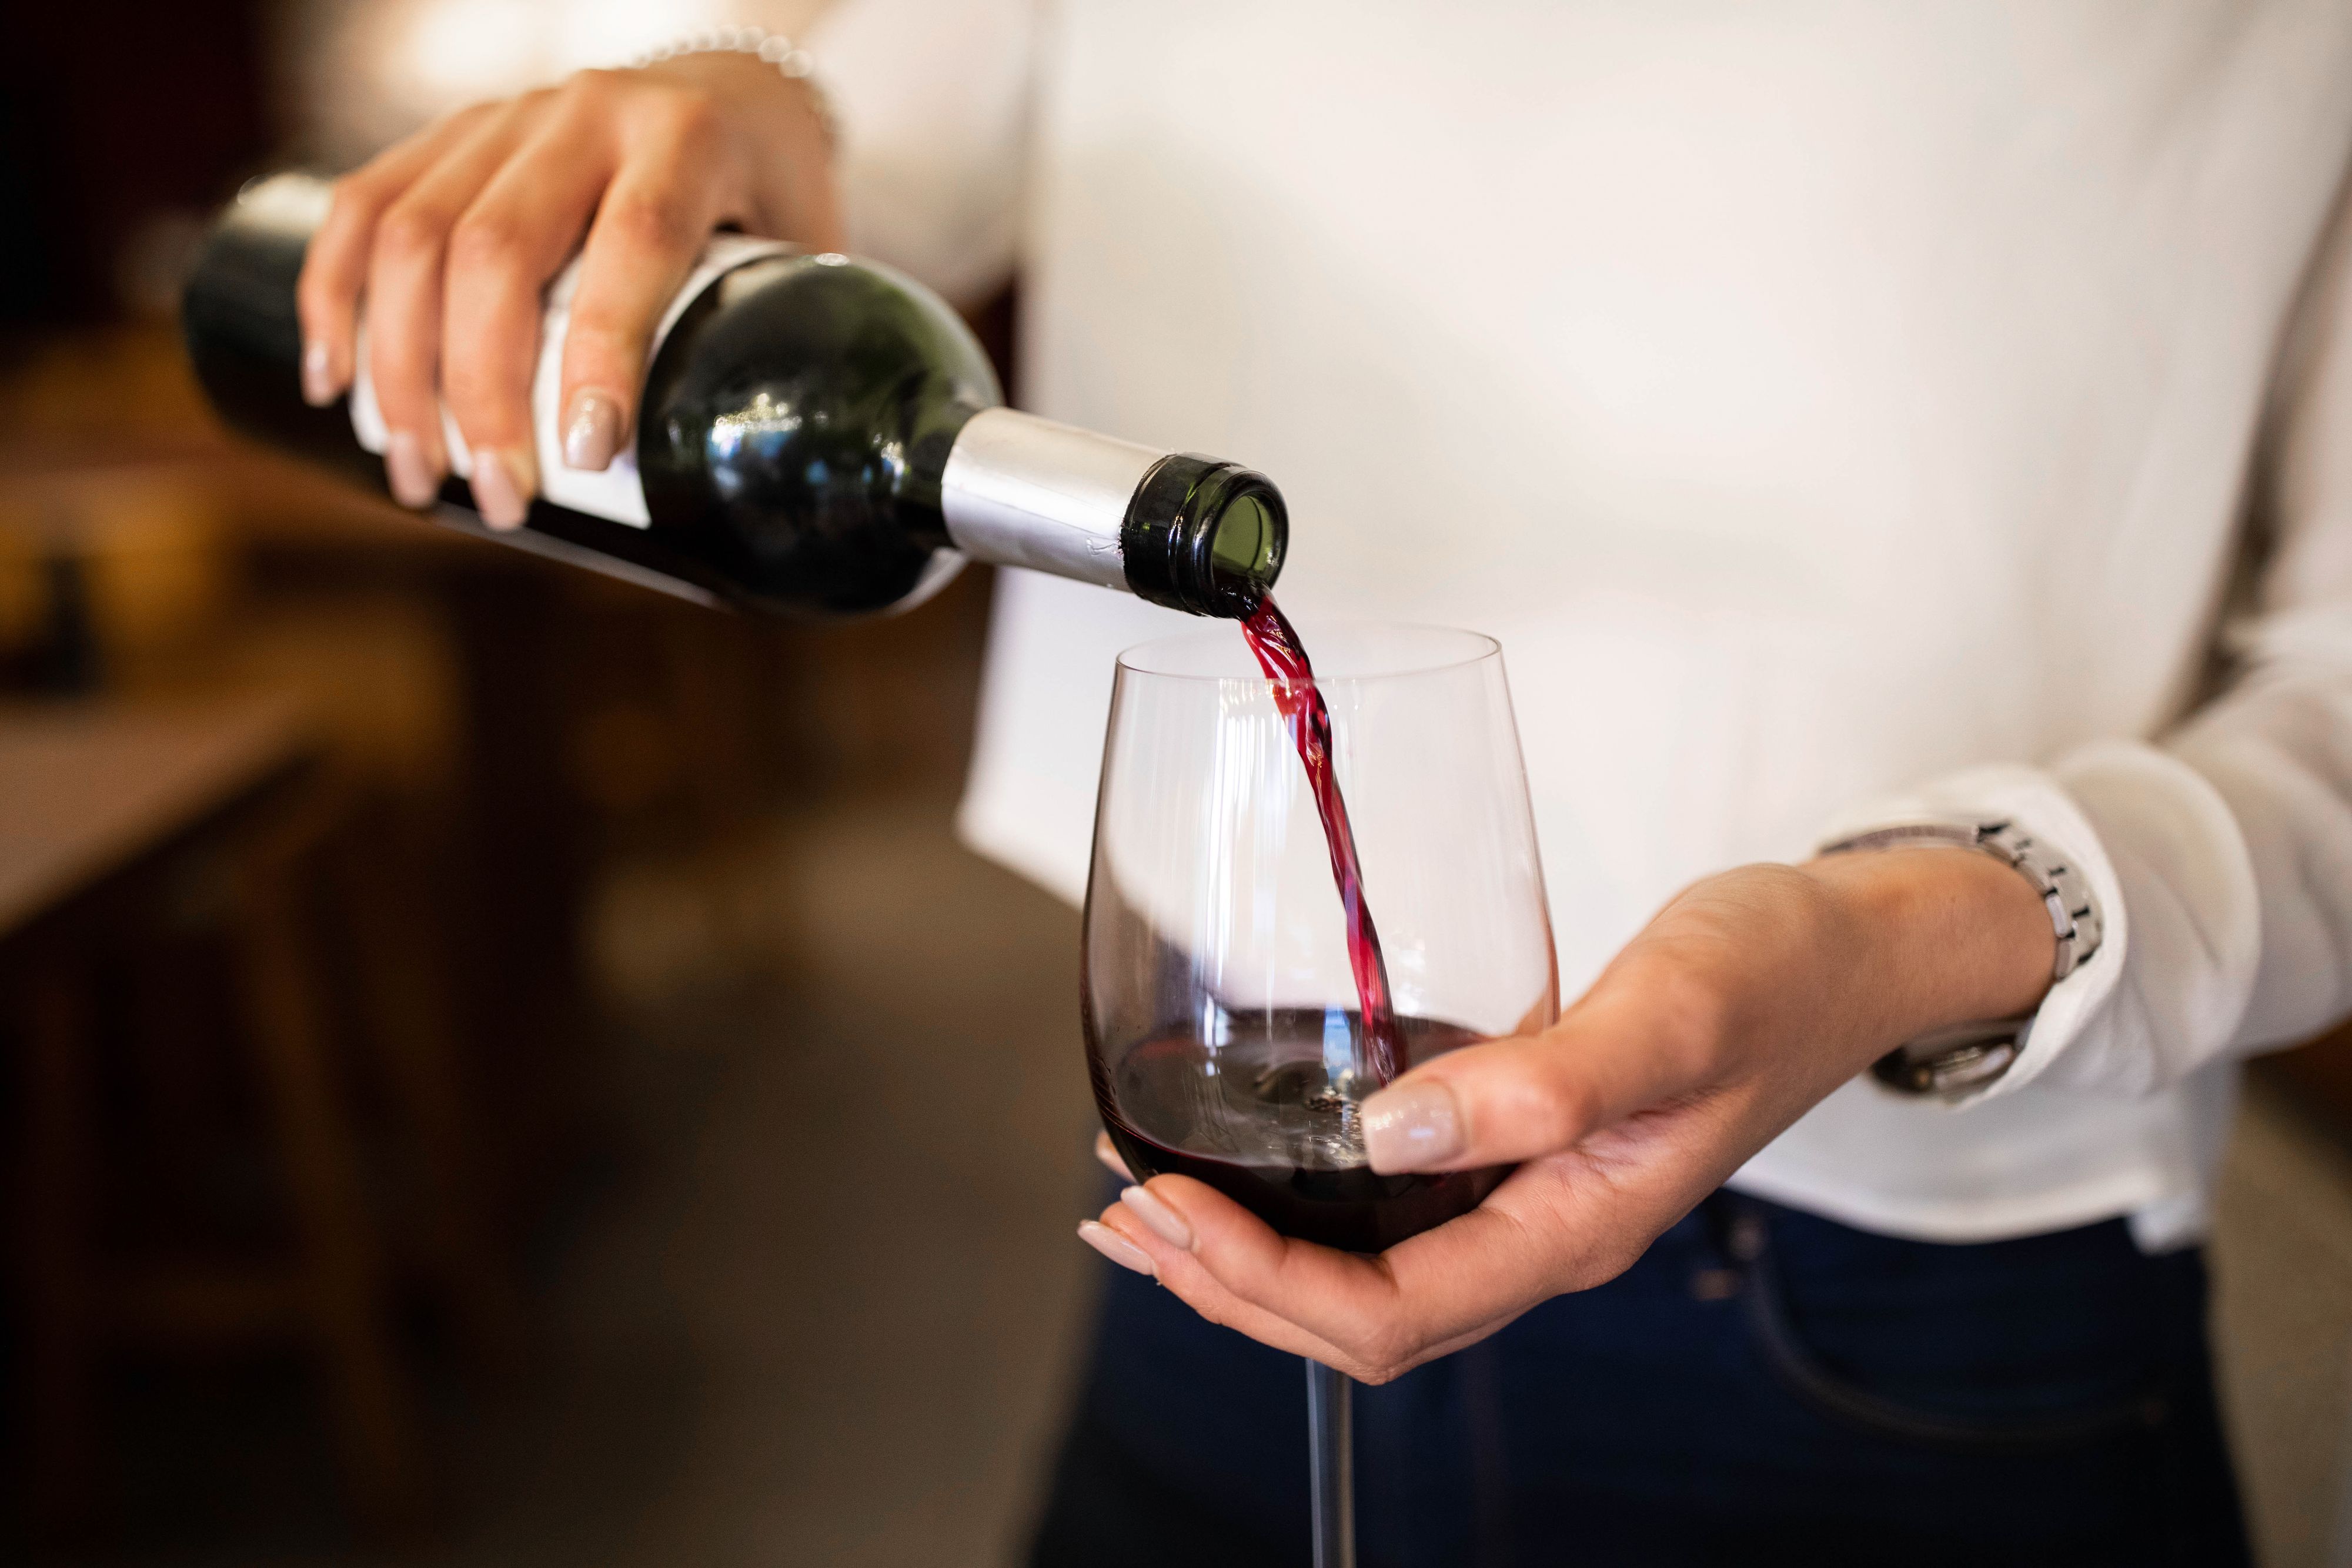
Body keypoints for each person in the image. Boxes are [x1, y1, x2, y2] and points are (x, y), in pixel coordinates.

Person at [293, 2, 2352, 1561]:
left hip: (1917, 1340)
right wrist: (754, 105)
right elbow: (860, 167)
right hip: (1213, 1236)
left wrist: (1889, 933)